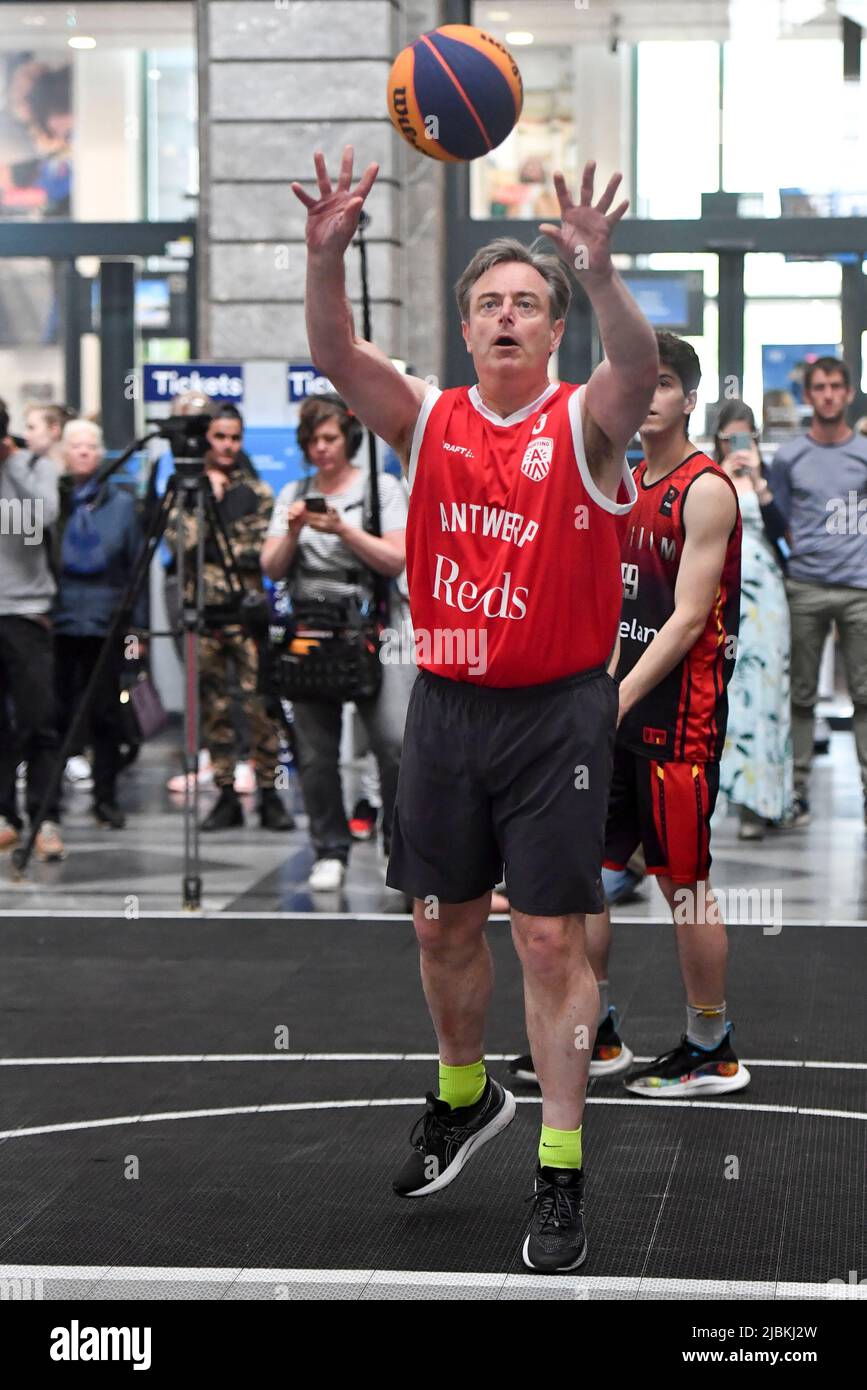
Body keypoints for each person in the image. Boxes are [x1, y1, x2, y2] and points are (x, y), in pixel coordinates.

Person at [293, 144, 658, 1271]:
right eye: (490, 304)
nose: (507, 317)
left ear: (553, 333)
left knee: (547, 937)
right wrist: (324, 258)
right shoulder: (429, 419)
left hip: (556, 713)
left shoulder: (588, 422)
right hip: (448, 705)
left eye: (528, 304)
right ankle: (463, 1097)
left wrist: (598, 275)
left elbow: (638, 371)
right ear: (465, 330)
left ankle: (559, 1173)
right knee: (439, 923)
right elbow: (334, 353)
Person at [509, 337, 749, 1101]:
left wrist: (613, 694)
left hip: (678, 717)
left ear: (687, 399)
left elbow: (682, 622)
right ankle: (598, 1031)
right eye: (640, 382)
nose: (649, 396)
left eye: (666, 384)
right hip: (611, 709)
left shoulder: (704, 490)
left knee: (684, 885)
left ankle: (711, 1048)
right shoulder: (621, 479)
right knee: (590, 880)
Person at [261, 393, 409, 892]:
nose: (323, 448)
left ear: (347, 438)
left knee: (392, 744)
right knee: (315, 751)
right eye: (313, 440)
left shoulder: (379, 488)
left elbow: (395, 559)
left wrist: (342, 529)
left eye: (330, 438)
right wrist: (295, 530)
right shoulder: (294, 492)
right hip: (309, 633)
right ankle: (329, 848)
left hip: (370, 632)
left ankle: (397, 844)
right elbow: (272, 567)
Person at [164, 404, 293, 833]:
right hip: (202, 614)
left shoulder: (257, 491)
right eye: (219, 437)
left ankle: (269, 794)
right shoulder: (185, 489)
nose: (226, 446)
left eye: (234, 438)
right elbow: (180, 544)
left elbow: (255, 552)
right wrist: (207, 504)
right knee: (214, 708)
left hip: (247, 614)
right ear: (207, 439)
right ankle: (224, 794)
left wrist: (222, 528)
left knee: (260, 706)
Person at [768, 357, 867, 826]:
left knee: (865, 696)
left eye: (835, 387)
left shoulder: (864, 453)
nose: (828, 395)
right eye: (820, 388)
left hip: (859, 588)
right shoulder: (789, 457)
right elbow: (779, 518)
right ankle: (798, 792)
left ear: (848, 394)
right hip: (805, 585)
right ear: (808, 396)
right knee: (801, 694)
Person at [52, 419, 147, 829]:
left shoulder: (124, 505)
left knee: (108, 715)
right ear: (64, 452)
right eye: (77, 445)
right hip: (56, 621)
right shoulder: (48, 502)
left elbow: (137, 569)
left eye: (92, 445)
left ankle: (106, 799)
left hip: (108, 624)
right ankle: (47, 803)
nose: (85, 452)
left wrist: (138, 631)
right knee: (53, 714)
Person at [714, 401, 793, 839]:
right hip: (725, 592)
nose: (739, 446)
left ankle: (764, 801)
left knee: (766, 696)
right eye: (731, 437)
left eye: (746, 437)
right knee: (729, 694)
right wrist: (723, 474)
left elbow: (786, 533)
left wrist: (759, 482)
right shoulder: (709, 473)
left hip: (767, 596)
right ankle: (725, 794)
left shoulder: (770, 473)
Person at [0, 396, 64, 859]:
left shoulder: (35, 466)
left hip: (26, 612)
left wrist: (14, 464)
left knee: (39, 721)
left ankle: (45, 818)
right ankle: (5, 815)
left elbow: (42, 517)